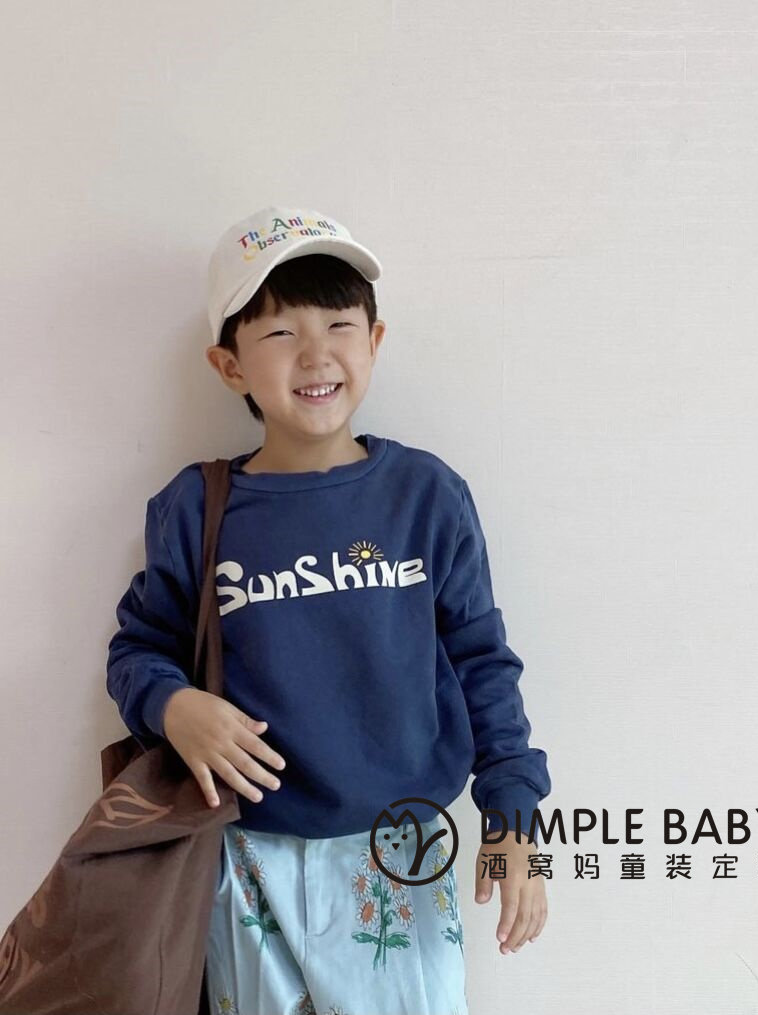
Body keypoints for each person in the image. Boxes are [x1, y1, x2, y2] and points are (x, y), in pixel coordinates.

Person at [106, 204, 552, 1015]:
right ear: (229, 364)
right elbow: (137, 649)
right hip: (242, 857)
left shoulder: (424, 496)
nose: (315, 354)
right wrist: (174, 707)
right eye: (279, 333)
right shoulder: (195, 507)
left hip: (400, 850)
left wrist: (512, 815)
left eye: (339, 324)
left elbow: (483, 659)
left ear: (374, 341)